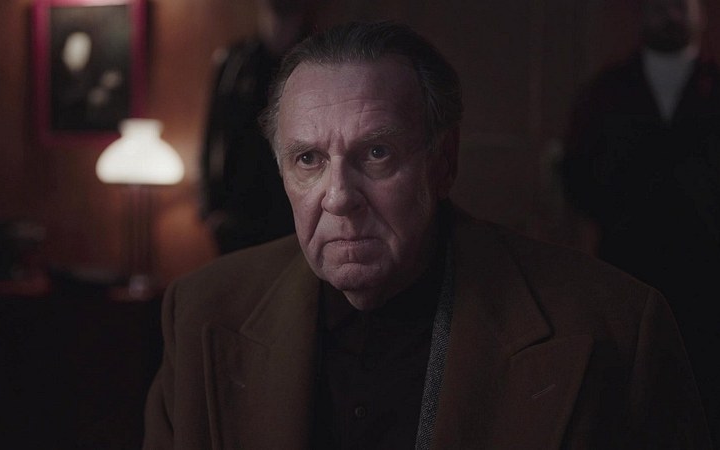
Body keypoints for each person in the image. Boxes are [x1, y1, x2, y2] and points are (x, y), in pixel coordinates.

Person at [145, 22, 711, 449]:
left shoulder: (614, 326)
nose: (339, 196)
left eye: (376, 152)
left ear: (443, 163)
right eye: (308, 159)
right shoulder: (200, 313)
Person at [561, 0, 720, 441]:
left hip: (709, 276)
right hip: (627, 266)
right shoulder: (605, 91)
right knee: (629, 391)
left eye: (680, 5)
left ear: (702, 13)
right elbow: (577, 172)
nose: (668, 14)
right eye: (657, 5)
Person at [199, 0, 314, 254]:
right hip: (237, 214)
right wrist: (209, 208)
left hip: (295, 212)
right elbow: (213, 135)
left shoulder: (321, 59)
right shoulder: (234, 61)